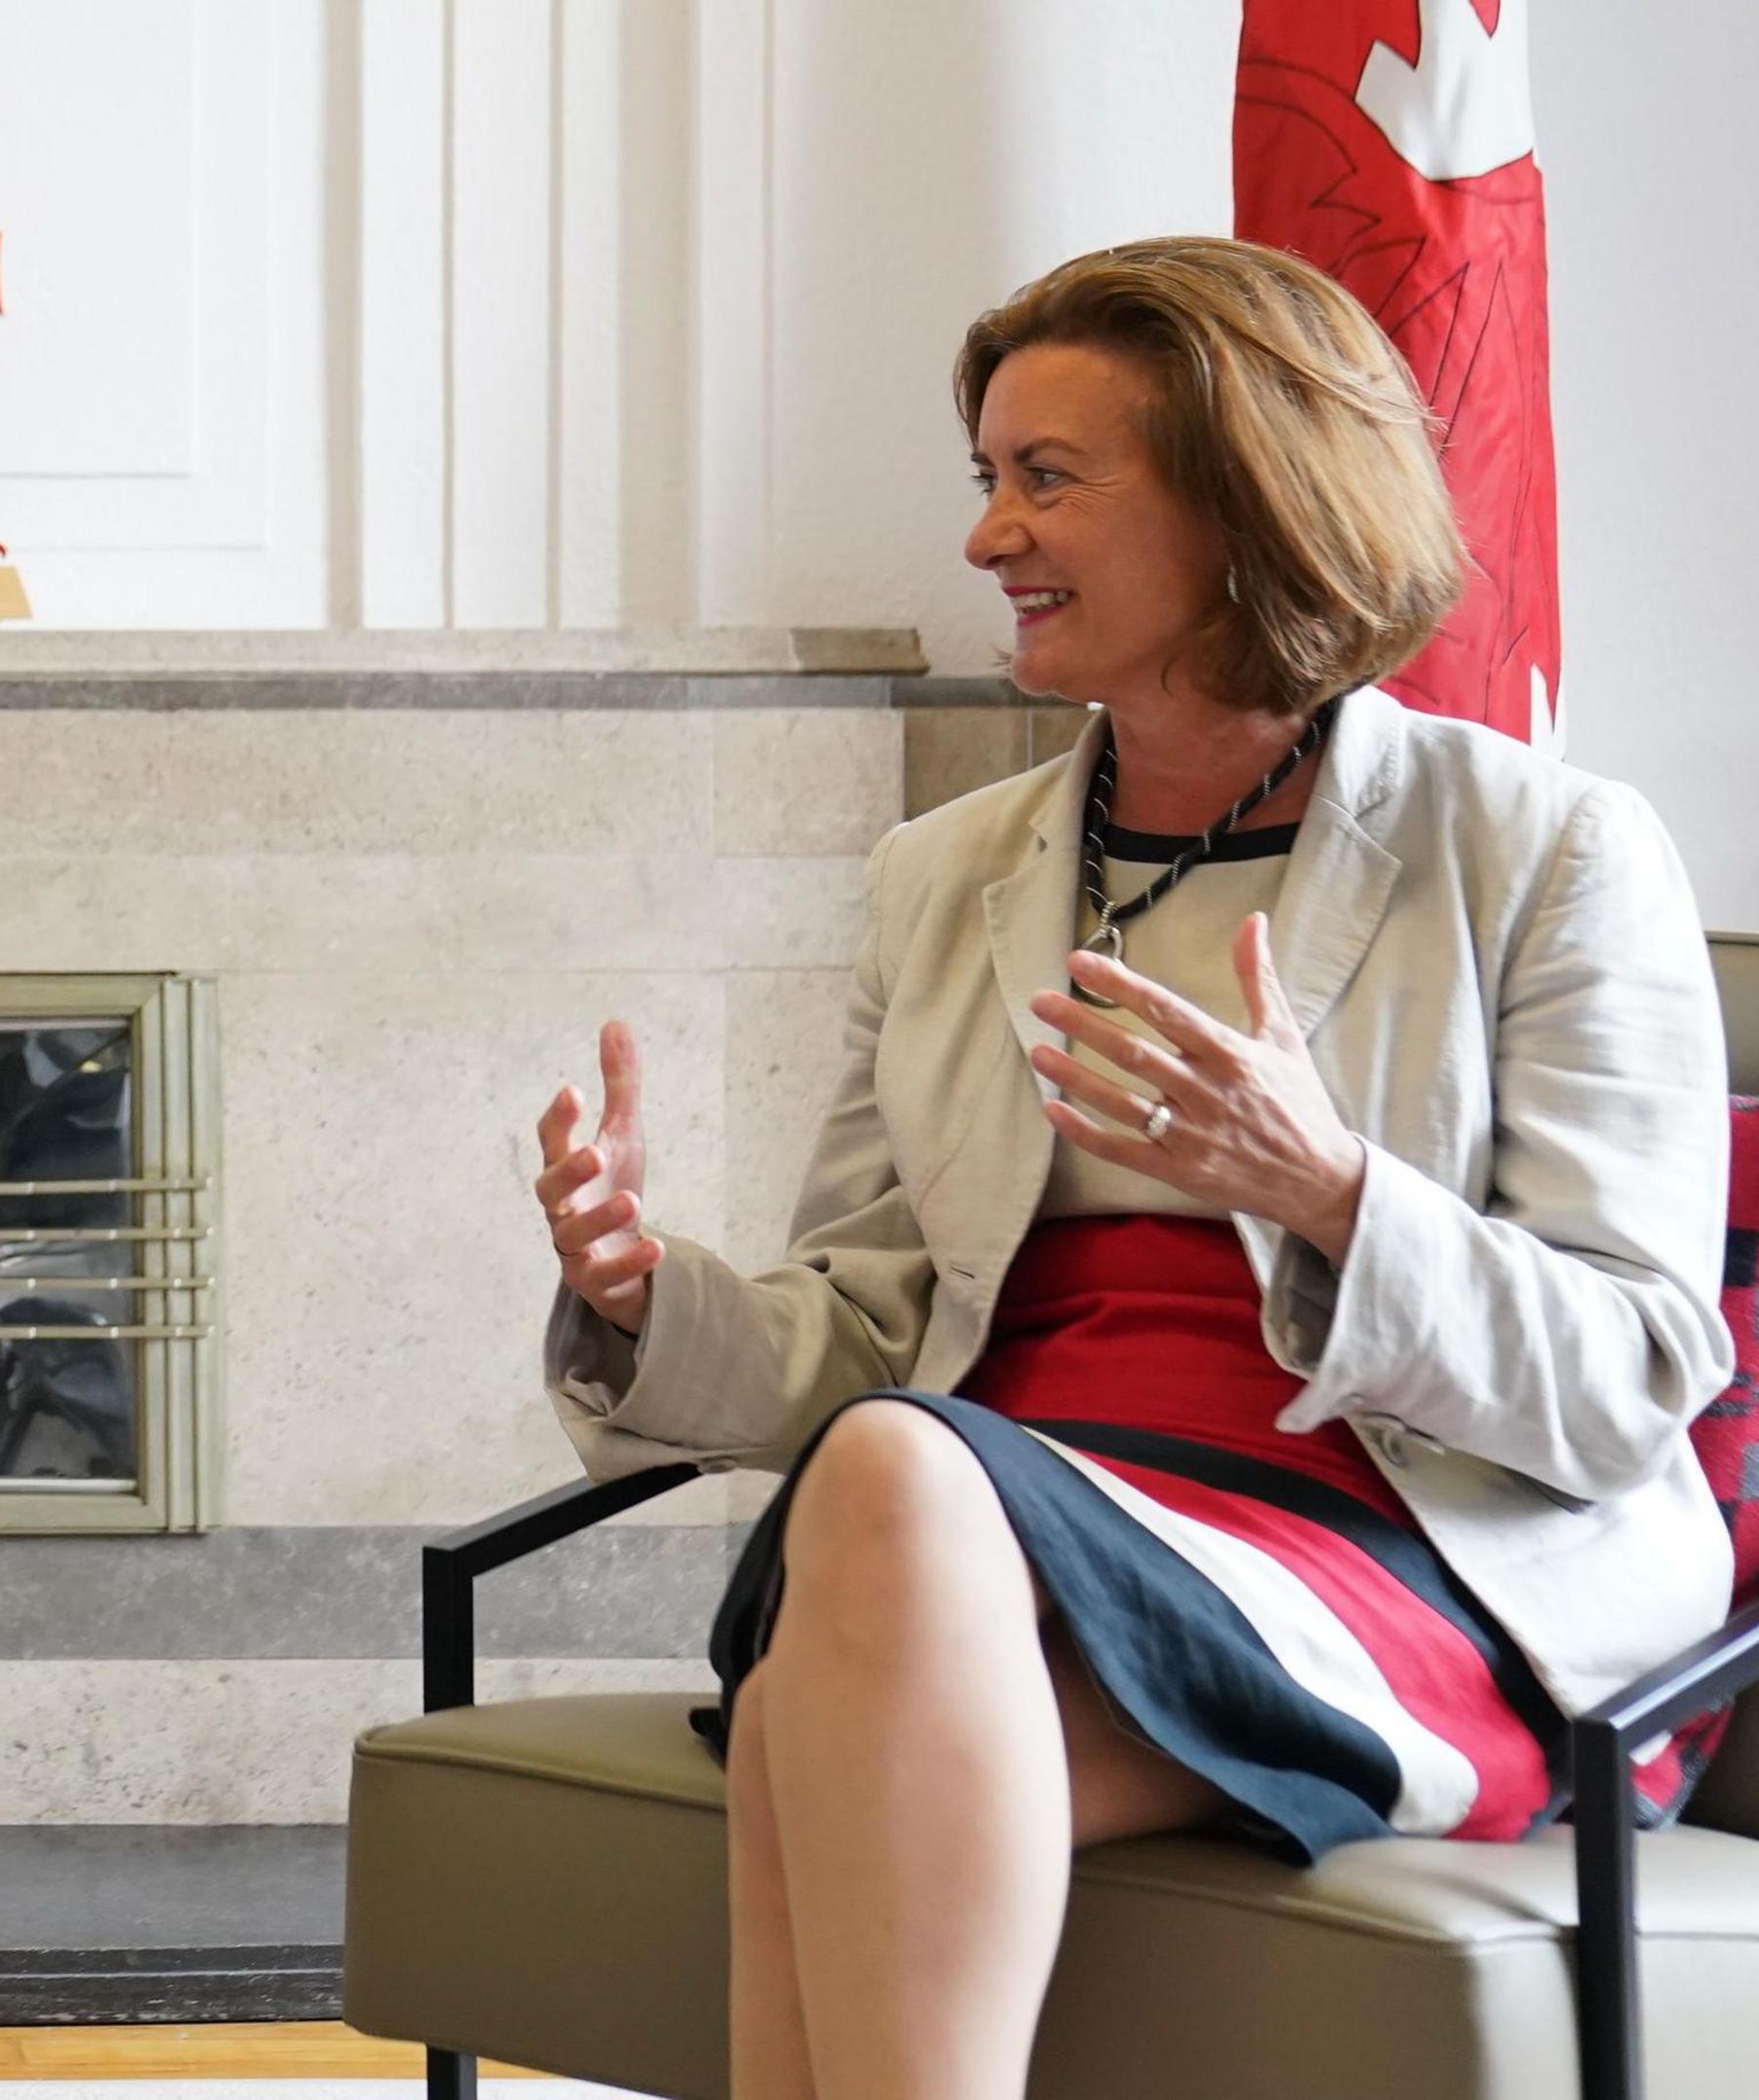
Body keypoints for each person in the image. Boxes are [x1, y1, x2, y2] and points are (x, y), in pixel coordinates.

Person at [531, 236, 1734, 2100]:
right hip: (985, 1532)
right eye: (986, 476)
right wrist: (637, 1296)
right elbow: (869, 1329)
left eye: (1049, 478)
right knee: (881, 1527)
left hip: (1401, 1545)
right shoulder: (944, 876)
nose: (986, 536)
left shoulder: (1549, 851)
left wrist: (1331, 1190)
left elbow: (1636, 1374)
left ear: (1253, 497)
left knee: (822, 1688)